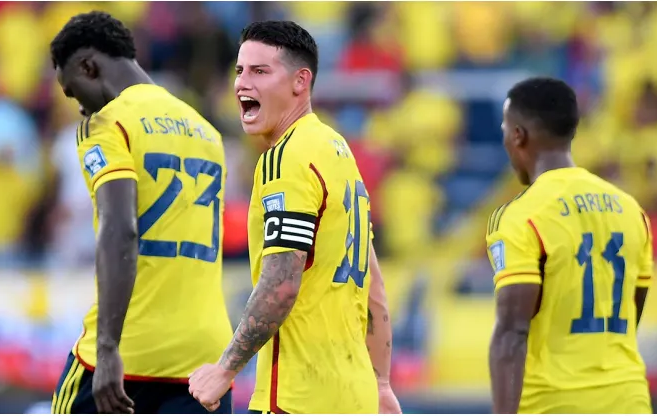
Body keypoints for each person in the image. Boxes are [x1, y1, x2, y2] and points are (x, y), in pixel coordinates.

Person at [188, 20, 402, 414]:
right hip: (353, 397)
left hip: (296, 397)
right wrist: (382, 382)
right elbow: (374, 286)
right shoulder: (338, 151)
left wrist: (225, 369)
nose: (241, 84)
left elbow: (282, 284)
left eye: (259, 71)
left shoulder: (286, 158)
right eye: (239, 71)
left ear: (300, 82)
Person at [49, 11, 233, 414]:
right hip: (204, 357)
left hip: (132, 347)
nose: (77, 105)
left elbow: (121, 229)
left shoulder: (107, 123)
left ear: (88, 66)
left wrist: (109, 347)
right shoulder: (206, 130)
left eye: (71, 89)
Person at [486, 77, 652, 414]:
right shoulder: (631, 209)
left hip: (555, 402)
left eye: (505, 128)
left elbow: (511, 333)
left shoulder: (522, 215)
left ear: (517, 135)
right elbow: (632, 312)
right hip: (628, 398)